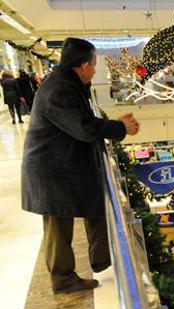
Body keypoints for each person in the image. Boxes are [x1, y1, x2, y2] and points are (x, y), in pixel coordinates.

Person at [21, 37, 140, 293]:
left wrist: (115, 125)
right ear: (83, 65)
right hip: (50, 170)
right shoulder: (60, 89)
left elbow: (83, 123)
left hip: (62, 166)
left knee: (85, 208)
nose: (95, 70)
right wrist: (120, 127)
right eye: (94, 64)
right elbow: (84, 128)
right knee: (56, 223)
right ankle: (63, 278)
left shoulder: (67, 84)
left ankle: (100, 260)